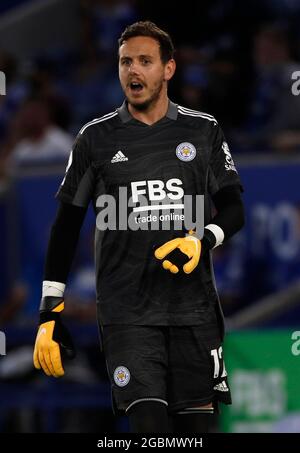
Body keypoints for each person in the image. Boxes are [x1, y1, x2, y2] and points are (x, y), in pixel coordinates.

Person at [33, 21, 245, 433]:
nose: (133, 70)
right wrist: (49, 313)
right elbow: (65, 227)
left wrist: (202, 240)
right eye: (125, 61)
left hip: (194, 313)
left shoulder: (202, 131)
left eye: (145, 61)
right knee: (150, 430)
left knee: (196, 434)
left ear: (168, 69)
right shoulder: (95, 139)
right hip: (127, 314)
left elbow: (235, 210)